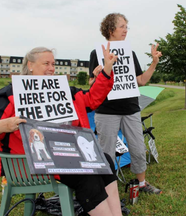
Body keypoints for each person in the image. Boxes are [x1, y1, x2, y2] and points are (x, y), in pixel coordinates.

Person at [0, 45, 123, 216]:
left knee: (105, 161)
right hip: (29, 164)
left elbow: (91, 98)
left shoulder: (63, 90)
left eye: (53, 64)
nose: (51, 68)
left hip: (66, 156)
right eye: (46, 64)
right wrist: (5, 125)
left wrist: (107, 69)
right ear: (30, 65)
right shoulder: (10, 95)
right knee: (87, 176)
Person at [89, 13, 162, 194]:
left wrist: (154, 63)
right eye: (122, 26)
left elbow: (141, 81)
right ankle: (107, 188)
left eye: (126, 27)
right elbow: (91, 85)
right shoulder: (97, 53)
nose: (125, 30)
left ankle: (142, 184)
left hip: (130, 109)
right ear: (110, 29)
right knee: (107, 152)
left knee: (138, 148)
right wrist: (97, 76)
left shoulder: (130, 53)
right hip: (106, 111)